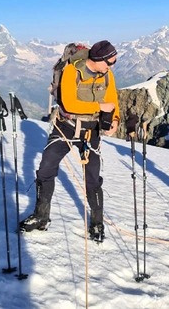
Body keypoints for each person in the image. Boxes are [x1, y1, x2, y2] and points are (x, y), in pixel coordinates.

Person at [20, 40, 121, 242]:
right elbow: (70, 102)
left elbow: (113, 101)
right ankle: (41, 216)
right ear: (98, 59)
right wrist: (100, 108)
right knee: (46, 169)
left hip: (91, 130)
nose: (111, 67)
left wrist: (115, 120)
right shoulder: (71, 71)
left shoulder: (107, 75)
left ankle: (97, 223)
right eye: (109, 62)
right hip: (65, 126)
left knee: (92, 178)